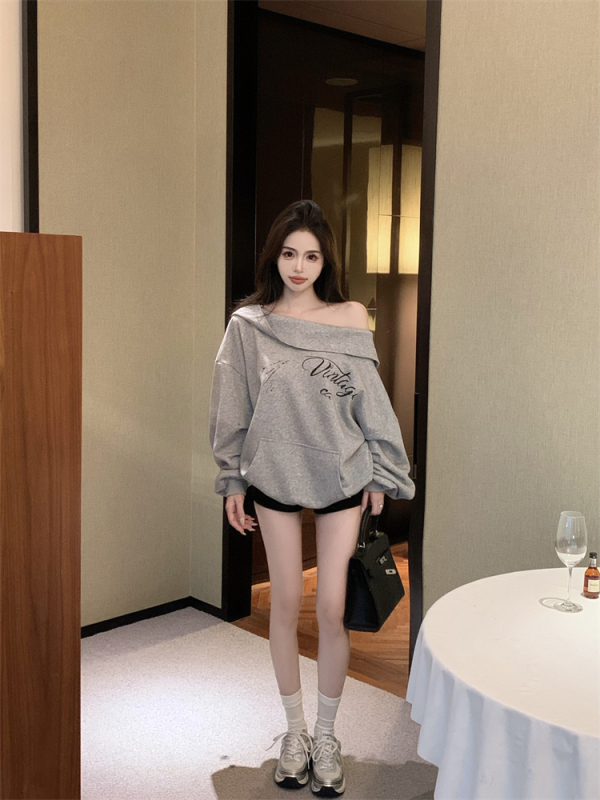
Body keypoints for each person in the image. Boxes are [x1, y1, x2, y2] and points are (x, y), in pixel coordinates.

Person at [208, 199, 415, 797]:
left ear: (327, 262)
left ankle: (327, 736)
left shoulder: (348, 316)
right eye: (289, 254)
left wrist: (382, 471)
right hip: (272, 474)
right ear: (274, 256)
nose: (299, 267)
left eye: (312, 256)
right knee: (283, 604)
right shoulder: (249, 325)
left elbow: (371, 401)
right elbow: (231, 406)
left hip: (340, 473)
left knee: (330, 608)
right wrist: (232, 478)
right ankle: (294, 734)